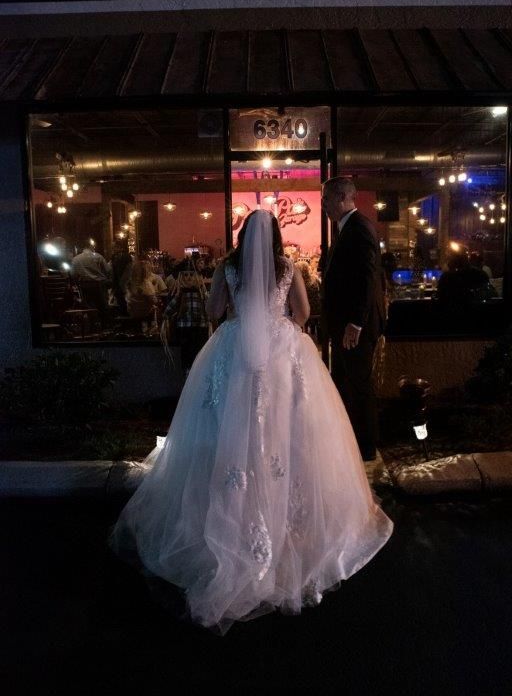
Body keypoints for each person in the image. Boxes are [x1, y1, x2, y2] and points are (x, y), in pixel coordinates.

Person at [110, 210, 392, 634]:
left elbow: (215, 309)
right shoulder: (288, 267)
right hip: (282, 357)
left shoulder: (227, 267)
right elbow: (302, 312)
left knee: (226, 427)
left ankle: (230, 520)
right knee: (288, 430)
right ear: (277, 236)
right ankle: (289, 524)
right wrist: (280, 328)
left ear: (243, 236)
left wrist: (241, 317)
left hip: (234, 351)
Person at [321, 177, 386, 461]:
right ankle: (353, 444)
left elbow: (367, 278)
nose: (322, 205)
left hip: (355, 326)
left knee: (359, 386)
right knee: (348, 382)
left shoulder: (359, 229)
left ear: (341, 197)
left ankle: (366, 448)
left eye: (325, 199)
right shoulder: (346, 228)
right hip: (346, 324)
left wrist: (356, 323)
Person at [162, 261, 210, 373]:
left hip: (200, 325)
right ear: (181, 277)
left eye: (191, 275)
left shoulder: (201, 292)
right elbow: (173, 304)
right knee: (187, 349)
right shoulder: (181, 294)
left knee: (199, 349)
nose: (188, 278)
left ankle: (197, 371)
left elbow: (207, 303)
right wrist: (166, 314)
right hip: (185, 326)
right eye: (185, 275)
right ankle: (188, 371)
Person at [71, 241, 111, 323]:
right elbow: (107, 270)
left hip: (84, 285)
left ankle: (93, 324)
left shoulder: (76, 259)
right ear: (90, 246)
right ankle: (105, 325)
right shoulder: (98, 256)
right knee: (102, 305)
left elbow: (73, 274)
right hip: (99, 284)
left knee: (89, 306)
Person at [125, 259, 158, 334]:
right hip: (144, 311)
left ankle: (139, 329)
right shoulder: (146, 284)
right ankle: (153, 330)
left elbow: (128, 296)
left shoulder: (130, 283)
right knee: (156, 307)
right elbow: (153, 300)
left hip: (132, 310)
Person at [109, 238, 132, 315]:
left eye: (114, 247)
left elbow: (128, 272)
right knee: (120, 303)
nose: (112, 249)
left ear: (119, 247)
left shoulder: (126, 257)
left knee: (125, 303)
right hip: (117, 284)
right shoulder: (114, 257)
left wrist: (123, 285)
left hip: (123, 284)